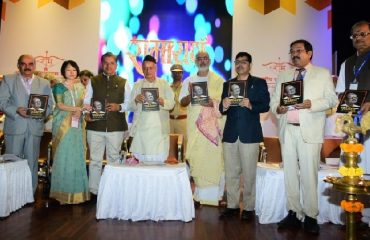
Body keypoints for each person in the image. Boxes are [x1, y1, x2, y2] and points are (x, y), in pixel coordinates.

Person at [270, 39, 337, 234]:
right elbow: (274, 102)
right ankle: (293, 212)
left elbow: (332, 100)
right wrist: (278, 108)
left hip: (309, 130)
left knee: (308, 174)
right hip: (287, 129)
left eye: (299, 50)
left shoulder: (322, 74)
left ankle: (310, 215)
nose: (295, 54)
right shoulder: (283, 75)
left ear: (310, 53)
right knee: (290, 174)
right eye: (292, 51)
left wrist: (311, 104)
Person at [219, 52, 270, 221]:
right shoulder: (228, 84)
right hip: (231, 134)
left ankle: (249, 208)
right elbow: (221, 108)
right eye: (237, 62)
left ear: (250, 65)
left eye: (244, 62)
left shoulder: (259, 83)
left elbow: (265, 105)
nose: (240, 65)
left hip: (250, 134)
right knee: (231, 173)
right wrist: (224, 105)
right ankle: (232, 206)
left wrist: (250, 104)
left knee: (249, 174)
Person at [0, 54, 54, 193]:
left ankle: (29, 194)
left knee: (32, 162)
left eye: (30, 64)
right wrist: (16, 110)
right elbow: (2, 102)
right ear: (18, 65)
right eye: (23, 64)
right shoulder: (8, 80)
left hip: (34, 127)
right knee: (12, 162)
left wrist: (39, 115)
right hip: (15, 127)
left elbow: (49, 106)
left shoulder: (44, 83)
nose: (27, 67)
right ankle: (10, 195)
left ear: (34, 66)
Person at [179, 51, 225, 206]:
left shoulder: (218, 80)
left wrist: (212, 103)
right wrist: (190, 95)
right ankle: (198, 194)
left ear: (210, 60)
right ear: (195, 61)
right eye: (200, 58)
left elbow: (224, 103)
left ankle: (213, 197)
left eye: (205, 58)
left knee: (212, 159)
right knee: (196, 158)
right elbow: (182, 103)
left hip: (212, 128)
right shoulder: (189, 81)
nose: (203, 61)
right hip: (195, 126)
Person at [336, 20, 370, 229]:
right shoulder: (347, 63)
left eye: (363, 34)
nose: (359, 38)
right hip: (352, 124)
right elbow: (341, 91)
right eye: (355, 35)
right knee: (354, 168)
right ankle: (355, 215)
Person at [83, 52, 131, 196]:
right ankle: (94, 191)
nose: (108, 66)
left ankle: (112, 190)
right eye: (106, 63)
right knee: (95, 160)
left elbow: (130, 104)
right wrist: (86, 115)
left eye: (112, 63)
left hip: (116, 127)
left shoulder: (124, 82)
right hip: (95, 127)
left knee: (113, 159)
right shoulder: (93, 81)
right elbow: (86, 101)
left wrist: (119, 107)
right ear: (102, 64)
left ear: (116, 65)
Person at [49, 60, 90, 204]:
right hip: (63, 125)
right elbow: (60, 105)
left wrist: (85, 109)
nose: (71, 73)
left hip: (77, 125)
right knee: (63, 156)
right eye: (68, 70)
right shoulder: (59, 87)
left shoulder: (81, 87)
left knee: (77, 156)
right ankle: (62, 194)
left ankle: (78, 194)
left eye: (74, 70)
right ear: (63, 72)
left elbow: (84, 104)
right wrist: (77, 109)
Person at [129, 55, 175, 163]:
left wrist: (163, 102)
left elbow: (172, 103)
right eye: (145, 68)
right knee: (143, 164)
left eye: (150, 68)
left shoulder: (163, 84)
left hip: (159, 130)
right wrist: (136, 100)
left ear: (155, 69)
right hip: (142, 130)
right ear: (142, 69)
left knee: (158, 163)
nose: (148, 71)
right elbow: (130, 106)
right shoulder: (137, 85)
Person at [169, 64, 188, 151]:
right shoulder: (167, 88)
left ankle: (184, 163)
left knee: (184, 146)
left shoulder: (187, 88)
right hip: (170, 121)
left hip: (183, 121)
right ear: (171, 74)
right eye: (174, 72)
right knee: (170, 147)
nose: (177, 74)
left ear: (182, 73)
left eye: (179, 72)